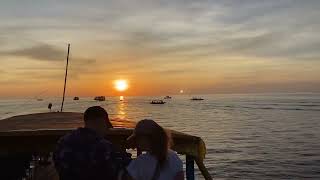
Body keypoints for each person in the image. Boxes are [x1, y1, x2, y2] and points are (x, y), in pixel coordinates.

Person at [53, 106, 131, 180]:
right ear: (101, 122)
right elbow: (122, 167)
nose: (107, 130)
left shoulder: (62, 142)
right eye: (106, 125)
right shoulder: (103, 147)